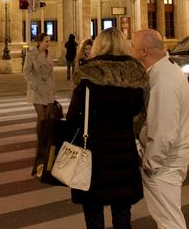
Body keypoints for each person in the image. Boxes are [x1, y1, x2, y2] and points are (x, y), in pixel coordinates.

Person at [67, 27, 148, 229]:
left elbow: (72, 118)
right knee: (122, 215)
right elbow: (139, 114)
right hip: (123, 152)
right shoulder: (135, 75)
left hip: (93, 155)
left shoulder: (88, 76)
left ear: (98, 45)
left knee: (94, 216)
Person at [132, 29, 189, 229]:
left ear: (143, 51)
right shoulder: (167, 71)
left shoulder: (162, 79)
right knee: (168, 217)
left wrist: (151, 163)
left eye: (132, 46)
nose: (130, 50)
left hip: (164, 163)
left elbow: (163, 130)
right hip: (170, 158)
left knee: (169, 221)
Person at [23, 32, 56, 177]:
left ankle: (46, 141)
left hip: (47, 89)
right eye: (46, 41)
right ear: (39, 42)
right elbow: (26, 71)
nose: (48, 43)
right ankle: (39, 142)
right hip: (36, 89)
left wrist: (52, 88)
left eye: (49, 41)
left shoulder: (49, 54)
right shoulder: (31, 53)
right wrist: (32, 84)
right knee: (41, 117)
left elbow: (51, 72)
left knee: (48, 117)